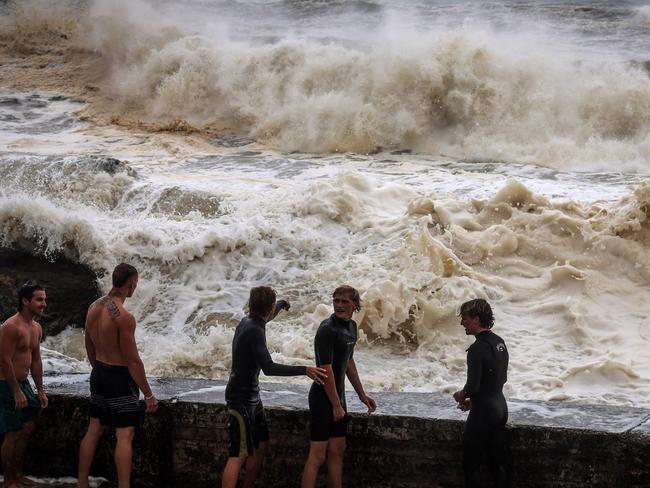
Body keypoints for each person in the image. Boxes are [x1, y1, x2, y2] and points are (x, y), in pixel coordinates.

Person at [221, 286, 327, 488]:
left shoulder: (251, 320)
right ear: (267, 308)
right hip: (239, 399)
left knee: (261, 446)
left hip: (252, 397)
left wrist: (282, 304)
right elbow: (268, 368)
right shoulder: (254, 330)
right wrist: (304, 370)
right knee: (238, 455)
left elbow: (268, 314)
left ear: (251, 305)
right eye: (273, 305)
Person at [78, 263, 158, 488]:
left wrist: (98, 369)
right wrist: (149, 394)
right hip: (119, 379)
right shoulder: (124, 316)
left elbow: (89, 344)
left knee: (93, 429)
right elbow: (133, 361)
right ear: (131, 284)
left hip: (99, 373)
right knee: (125, 436)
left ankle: (81, 483)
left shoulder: (94, 306)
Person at [301, 285, 376, 488]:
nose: (340, 305)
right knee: (317, 455)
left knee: (338, 450)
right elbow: (325, 371)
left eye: (345, 301)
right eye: (336, 300)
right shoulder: (327, 329)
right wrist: (335, 404)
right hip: (322, 398)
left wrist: (361, 394)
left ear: (355, 305)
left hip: (338, 397)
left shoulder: (351, 328)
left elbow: (348, 363)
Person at [453, 298, 509, 488]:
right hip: (500, 409)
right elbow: (498, 380)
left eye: (465, 319)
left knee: (472, 467)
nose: (462, 323)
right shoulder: (500, 343)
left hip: (483, 414)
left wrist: (461, 395)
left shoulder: (476, 349)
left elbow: (473, 386)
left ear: (476, 319)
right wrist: (475, 402)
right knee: (498, 465)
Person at [0, 281, 49, 488]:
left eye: (44, 299)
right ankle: (8, 480)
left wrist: (40, 390)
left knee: (27, 427)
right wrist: (16, 390)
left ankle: (19, 475)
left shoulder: (36, 327)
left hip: (23, 383)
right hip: (5, 384)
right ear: (25, 301)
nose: (44, 304)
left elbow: (36, 360)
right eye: (39, 299)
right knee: (13, 432)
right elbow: (4, 360)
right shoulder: (11, 327)